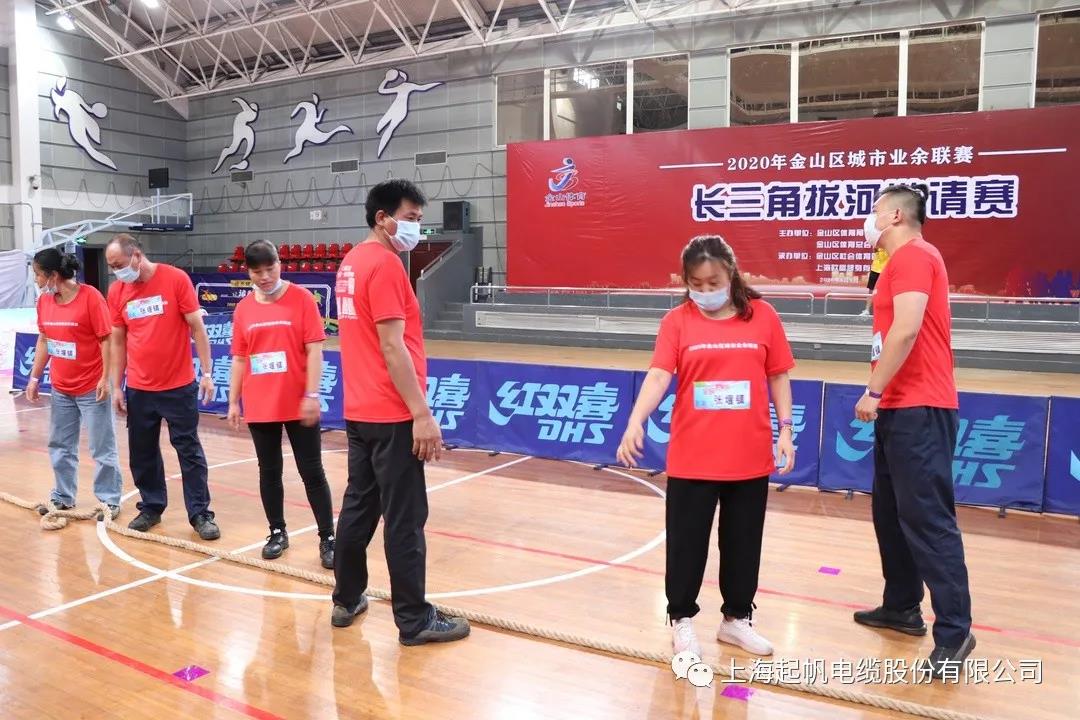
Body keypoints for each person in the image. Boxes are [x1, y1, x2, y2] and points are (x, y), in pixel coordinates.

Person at [616, 235, 796, 659]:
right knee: (687, 544)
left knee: (743, 543)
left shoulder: (763, 316)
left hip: (748, 455)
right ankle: (681, 620)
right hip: (693, 456)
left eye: (712, 282)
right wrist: (635, 421)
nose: (705, 291)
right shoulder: (676, 322)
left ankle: (737, 619)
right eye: (695, 284)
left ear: (731, 274)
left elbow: (778, 375)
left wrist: (786, 430)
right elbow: (659, 374)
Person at [330, 179, 469, 646]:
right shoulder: (385, 265)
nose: (416, 227)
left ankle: (347, 598)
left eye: (419, 219)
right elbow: (392, 346)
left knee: (358, 507)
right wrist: (421, 414)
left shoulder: (350, 263)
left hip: (360, 410)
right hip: (391, 413)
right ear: (382, 218)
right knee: (405, 518)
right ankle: (414, 619)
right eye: (410, 218)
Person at [853, 184, 975, 679]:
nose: (869, 219)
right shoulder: (894, 264)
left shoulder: (914, 256)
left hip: (919, 407)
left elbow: (906, 330)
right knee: (890, 514)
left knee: (927, 520)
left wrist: (874, 390)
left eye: (875, 211)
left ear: (897, 216)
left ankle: (956, 631)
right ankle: (902, 606)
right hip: (899, 408)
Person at [226, 240, 336, 568]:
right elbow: (240, 358)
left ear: (280, 264)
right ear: (248, 272)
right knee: (269, 472)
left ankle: (328, 537)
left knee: (312, 472)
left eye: (270, 269)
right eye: (256, 271)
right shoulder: (244, 309)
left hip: (299, 403)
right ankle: (277, 532)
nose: (264, 277)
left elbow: (315, 350)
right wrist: (233, 401)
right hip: (261, 404)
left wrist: (312, 395)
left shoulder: (302, 299)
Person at [105, 234, 220, 541]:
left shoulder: (175, 279)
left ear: (136, 256)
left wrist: (207, 373)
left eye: (118, 264)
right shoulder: (117, 292)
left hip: (178, 386)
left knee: (188, 451)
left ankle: (200, 513)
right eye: (111, 267)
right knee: (142, 453)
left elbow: (197, 328)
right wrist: (118, 386)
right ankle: (151, 507)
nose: (116, 271)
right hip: (139, 388)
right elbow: (118, 340)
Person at [25, 248, 122, 518]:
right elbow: (44, 340)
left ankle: (109, 500)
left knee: (102, 448)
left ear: (53, 275)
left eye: (38, 275)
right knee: (60, 445)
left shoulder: (91, 297)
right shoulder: (44, 302)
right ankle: (63, 496)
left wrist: (105, 378)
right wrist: (34, 377)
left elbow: (106, 339)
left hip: (92, 387)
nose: (36, 281)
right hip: (61, 388)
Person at [861, 247, 890, 317]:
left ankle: (884, 311)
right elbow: (875, 251)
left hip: (885, 270)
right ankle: (867, 310)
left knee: (885, 291)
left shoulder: (889, 245)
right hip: (875, 269)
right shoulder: (877, 245)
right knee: (871, 290)